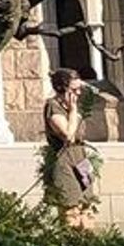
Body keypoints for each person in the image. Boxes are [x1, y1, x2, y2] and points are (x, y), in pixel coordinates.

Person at [42, 68, 99, 220]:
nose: (78, 93)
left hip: (80, 159)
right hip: (64, 161)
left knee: (87, 207)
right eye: (74, 89)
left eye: (79, 88)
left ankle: (88, 241)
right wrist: (73, 111)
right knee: (71, 210)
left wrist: (73, 110)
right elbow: (68, 136)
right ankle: (71, 242)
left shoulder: (72, 107)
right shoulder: (53, 106)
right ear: (62, 89)